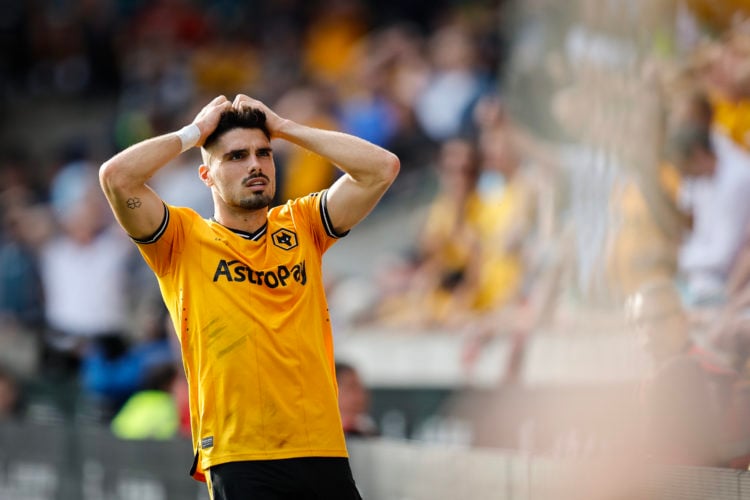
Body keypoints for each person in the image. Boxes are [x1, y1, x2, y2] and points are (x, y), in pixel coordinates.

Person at [99, 93, 399, 499]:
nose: (255, 164)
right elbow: (116, 177)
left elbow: (381, 169)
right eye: (236, 156)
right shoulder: (181, 240)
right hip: (240, 456)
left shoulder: (303, 224)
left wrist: (287, 128)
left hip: (320, 448)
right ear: (206, 175)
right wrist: (194, 133)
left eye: (264, 153)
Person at [335, 361, 377, 438]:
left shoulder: (368, 431)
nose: (360, 395)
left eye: (360, 388)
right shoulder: (316, 435)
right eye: (351, 387)